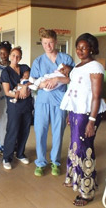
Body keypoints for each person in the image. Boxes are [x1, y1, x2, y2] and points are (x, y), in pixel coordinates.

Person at [60, 33, 106, 206]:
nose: (80, 50)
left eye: (84, 47)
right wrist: (69, 114)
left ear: (92, 48)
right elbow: (74, 90)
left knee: (84, 148)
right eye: (78, 47)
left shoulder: (95, 67)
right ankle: (75, 178)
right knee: (75, 146)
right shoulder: (79, 65)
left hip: (88, 113)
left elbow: (96, 96)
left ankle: (87, 191)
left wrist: (92, 121)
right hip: (76, 112)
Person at [30, 29, 75, 177]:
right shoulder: (38, 61)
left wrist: (57, 80)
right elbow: (34, 82)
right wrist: (44, 84)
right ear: (41, 43)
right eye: (44, 43)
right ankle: (41, 162)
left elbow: (71, 79)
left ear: (55, 42)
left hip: (59, 101)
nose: (48, 46)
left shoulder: (66, 59)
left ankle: (55, 162)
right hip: (42, 101)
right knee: (40, 132)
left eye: (50, 43)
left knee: (58, 133)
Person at [1, 46, 33, 170]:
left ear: (21, 57)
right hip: (14, 105)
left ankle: (20, 153)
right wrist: (20, 94)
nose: (16, 58)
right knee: (12, 130)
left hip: (26, 105)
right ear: (10, 56)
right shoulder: (6, 72)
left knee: (25, 130)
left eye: (18, 56)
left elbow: (31, 80)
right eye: (13, 55)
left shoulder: (24, 68)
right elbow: (7, 92)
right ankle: (7, 157)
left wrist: (25, 87)